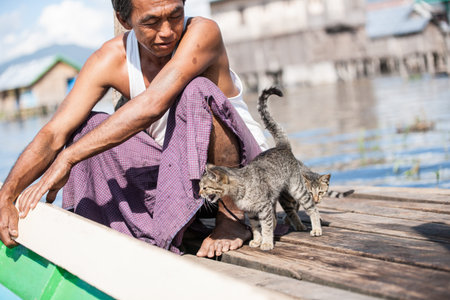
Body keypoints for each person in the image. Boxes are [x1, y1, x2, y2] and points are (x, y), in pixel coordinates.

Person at [0, 0, 268, 257]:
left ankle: (231, 220)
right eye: (151, 22)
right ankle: (140, 234)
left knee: (200, 90)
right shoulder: (111, 59)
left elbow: (153, 103)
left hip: (245, 180)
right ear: (123, 19)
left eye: (175, 15)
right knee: (88, 127)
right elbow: (53, 133)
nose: (166, 31)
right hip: (179, 185)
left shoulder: (202, 32)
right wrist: (7, 195)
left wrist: (68, 158)